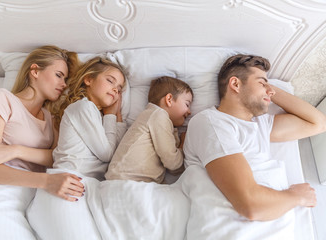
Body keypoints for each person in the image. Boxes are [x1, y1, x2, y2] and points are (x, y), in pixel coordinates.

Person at [184, 54, 326, 221]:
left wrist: (267, 88)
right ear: (235, 84)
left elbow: (318, 123)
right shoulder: (211, 122)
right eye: (262, 83)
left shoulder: (260, 125)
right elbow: (250, 206)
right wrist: (296, 196)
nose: (271, 91)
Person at [0, 45, 85, 200]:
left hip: (34, 195)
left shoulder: (53, 118)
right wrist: (48, 181)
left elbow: (56, 157)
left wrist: (15, 150)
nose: (64, 84)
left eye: (65, 79)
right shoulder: (1, 99)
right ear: (35, 71)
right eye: (58, 75)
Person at [51, 56, 127, 182]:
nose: (115, 89)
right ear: (89, 79)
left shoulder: (98, 117)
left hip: (84, 183)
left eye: (119, 89)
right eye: (110, 80)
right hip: (68, 180)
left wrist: (117, 114)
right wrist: (110, 115)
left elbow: (116, 152)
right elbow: (107, 155)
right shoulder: (83, 107)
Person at [105, 76, 193, 183]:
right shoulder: (158, 115)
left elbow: (175, 169)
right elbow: (172, 162)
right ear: (169, 99)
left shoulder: (160, 121)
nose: (189, 112)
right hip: (125, 181)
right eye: (187, 104)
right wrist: (183, 144)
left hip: (130, 181)